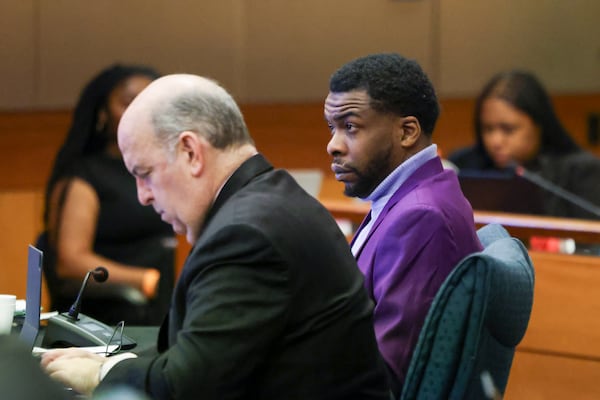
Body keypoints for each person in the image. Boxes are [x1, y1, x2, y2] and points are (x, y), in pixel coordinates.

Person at [41, 74, 391, 399]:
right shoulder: (269, 201)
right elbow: (199, 353)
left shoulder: (246, 235)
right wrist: (107, 362)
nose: (142, 196)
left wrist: (102, 374)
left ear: (191, 153)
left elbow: (189, 386)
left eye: (145, 173)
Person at [324, 53, 483, 396]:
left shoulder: (422, 217)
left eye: (350, 127)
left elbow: (386, 376)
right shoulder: (415, 196)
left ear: (407, 131)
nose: (333, 146)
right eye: (332, 128)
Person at [42, 64, 176, 325]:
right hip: (112, 315)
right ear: (103, 113)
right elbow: (70, 261)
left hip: (166, 304)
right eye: (129, 103)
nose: (141, 114)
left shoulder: (163, 170)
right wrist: (143, 280)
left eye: (150, 105)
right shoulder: (84, 175)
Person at [449, 70, 600, 220]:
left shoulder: (582, 172)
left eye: (508, 129)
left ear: (539, 125)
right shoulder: (462, 166)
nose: (495, 141)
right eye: (488, 129)